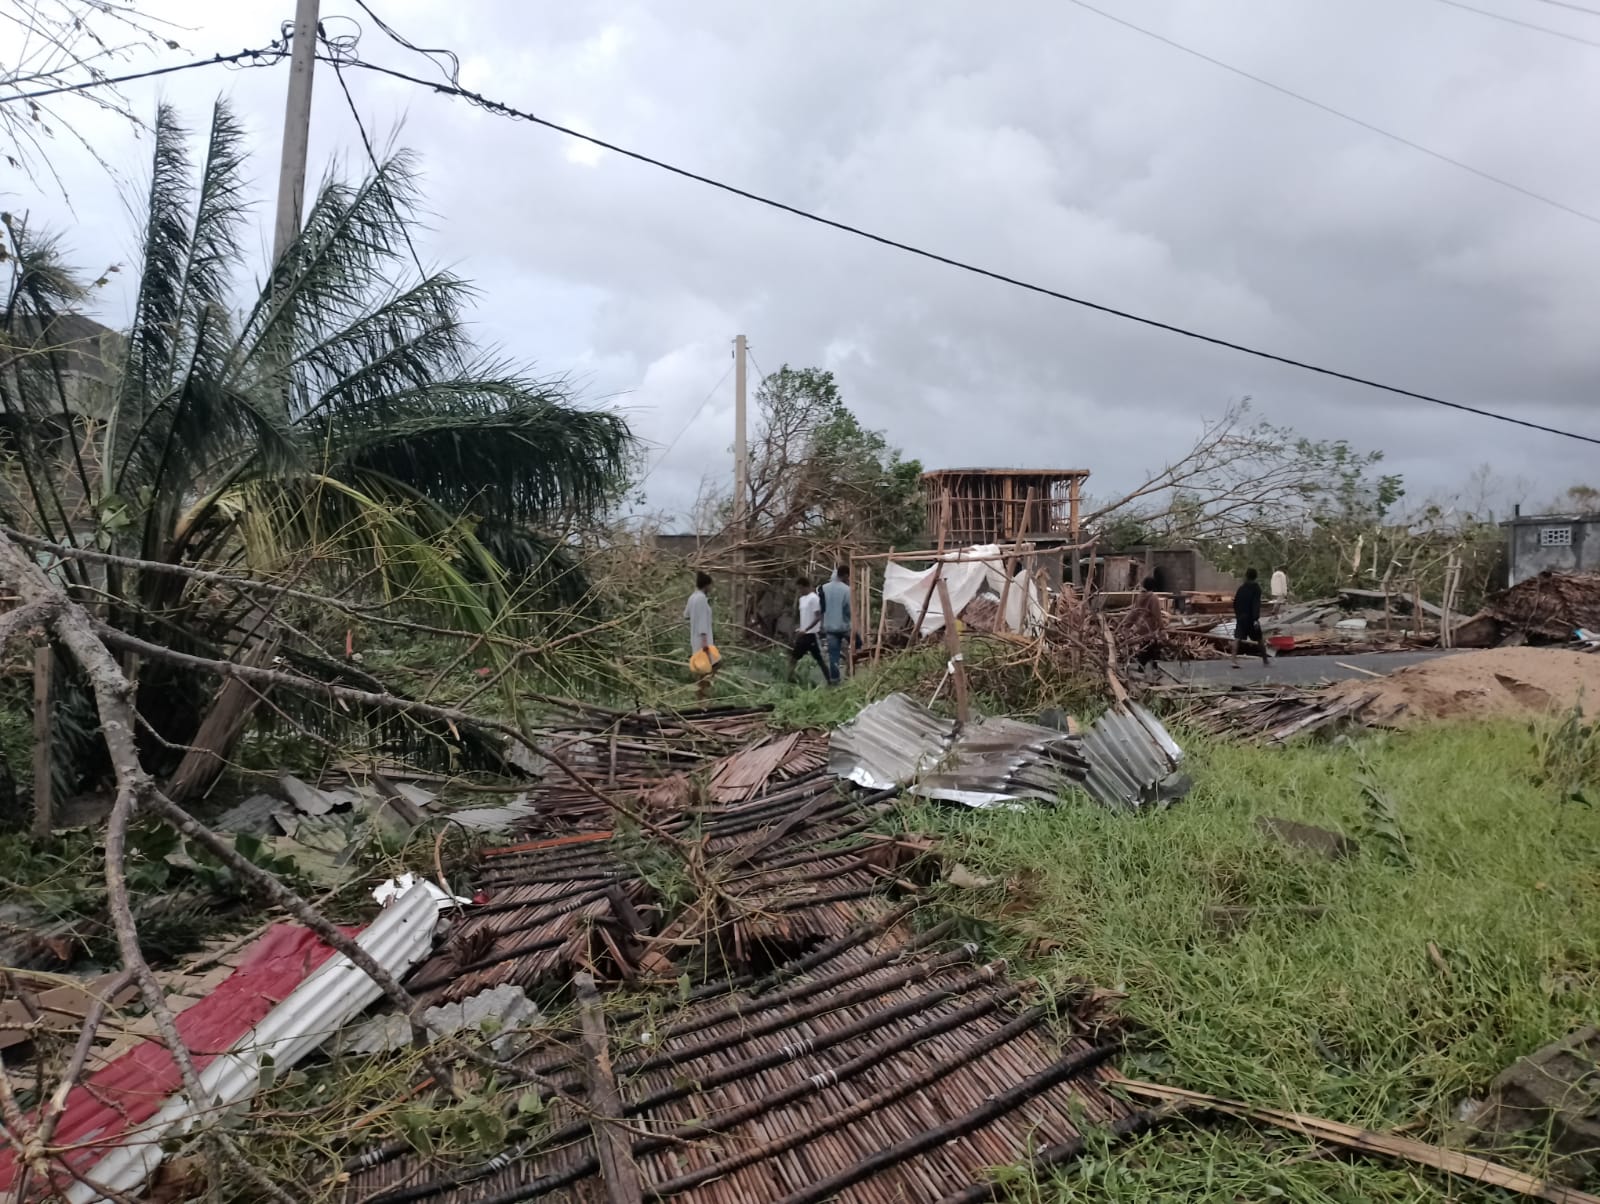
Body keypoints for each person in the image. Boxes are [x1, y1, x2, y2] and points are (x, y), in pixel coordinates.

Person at [787, 574, 826, 683]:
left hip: (811, 635)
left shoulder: (814, 598)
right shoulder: (802, 599)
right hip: (803, 635)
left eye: (801, 588)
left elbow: (818, 617)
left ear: (806, 587)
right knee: (793, 658)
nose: (799, 591)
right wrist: (801, 628)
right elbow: (805, 616)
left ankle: (830, 680)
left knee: (819, 660)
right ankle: (789, 678)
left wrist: (806, 629)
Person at [684, 570, 718, 698]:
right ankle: (702, 694)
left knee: (702, 669)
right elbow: (703, 621)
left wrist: (694, 617)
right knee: (712, 666)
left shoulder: (692, 597)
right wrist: (705, 643)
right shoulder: (702, 599)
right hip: (703, 640)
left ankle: (701, 694)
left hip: (694, 639)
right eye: (711, 585)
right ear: (707, 585)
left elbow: (686, 615)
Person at [819, 563, 852, 685]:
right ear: (845, 576)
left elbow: (821, 608)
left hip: (830, 626)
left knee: (834, 655)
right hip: (844, 626)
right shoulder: (846, 589)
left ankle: (835, 680)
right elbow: (849, 610)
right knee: (856, 648)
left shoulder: (824, 588)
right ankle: (850, 672)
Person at [1127, 575, 1166, 677]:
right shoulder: (1153, 598)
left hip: (1141, 626)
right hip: (1150, 627)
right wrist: (1162, 627)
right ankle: (1146, 666)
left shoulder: (1139, 597)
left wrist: (1128, 624)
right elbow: (1157, 614)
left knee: (1148, 646)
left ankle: (1151, 666)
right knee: (1151, 646)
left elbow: (1134, 612)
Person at [1232, 568, 1270, 668]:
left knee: (1237, 638)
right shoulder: (1256, 588)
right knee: (1259, 639)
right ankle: (1265, 660)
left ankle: (1233, 660)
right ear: (1255, 576)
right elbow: (1255, 604)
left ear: (1246, 576)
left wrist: (1238, 615)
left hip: (1241, 617)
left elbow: (1235, 603)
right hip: (1251, 618)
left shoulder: (1241, 588)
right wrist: (1255, 618)